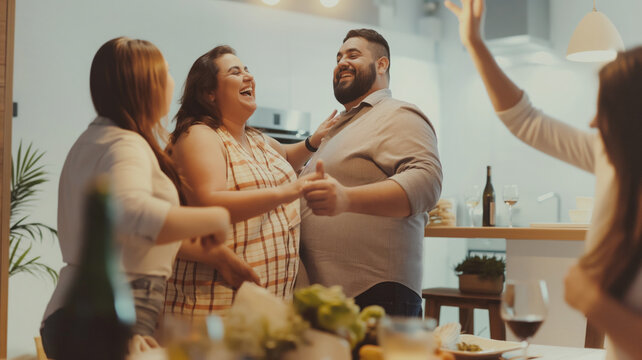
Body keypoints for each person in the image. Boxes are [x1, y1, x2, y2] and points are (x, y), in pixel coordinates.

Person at [445, 1, 642, 358]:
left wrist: (594, 300)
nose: (593, 123)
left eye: (604, 111)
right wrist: (475, 45)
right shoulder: (612, 156)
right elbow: (526, 121)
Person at [40, 37, 231, 357]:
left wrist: (215, 256)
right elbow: (129, 214)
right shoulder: (127, 145)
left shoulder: (92, 140)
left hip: (74, 310)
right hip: (110, 314)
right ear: (147, 84)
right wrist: (215, 217)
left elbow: (123, 233)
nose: (172, 82)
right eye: (167, 72)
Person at [163, 45, 335, 316]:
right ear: (209, 93)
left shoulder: (255, 138)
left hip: (262, 309)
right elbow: (209, 202)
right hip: (213, 306)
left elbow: (288, 156)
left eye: (247, 70)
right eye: (235, 72)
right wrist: (287, 192)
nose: (248, 77)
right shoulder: (200, 134)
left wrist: (314, 140)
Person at [298, 29, 443, 317]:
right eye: (338, 57)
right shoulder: (338, 128)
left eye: (353, 55)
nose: (341, 62)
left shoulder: (397, 113)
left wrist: (346, 199)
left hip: (376, 296)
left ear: (382, 65)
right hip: (329, 300)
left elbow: (426, 182)